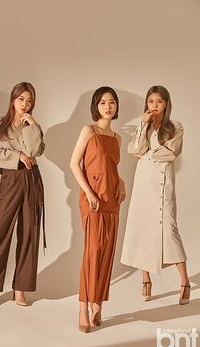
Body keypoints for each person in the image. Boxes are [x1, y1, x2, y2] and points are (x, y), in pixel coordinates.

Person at [0, 82, 46, 306]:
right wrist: (16, 157)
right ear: (13, 100)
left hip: (32, 180)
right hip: (11, 180)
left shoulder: (32, 126)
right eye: (21, 99)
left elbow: (34, 150)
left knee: (29, 235)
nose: (25, 104)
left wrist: (33, 125)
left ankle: (20, 290)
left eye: (30, 100)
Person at [121, 85, 190, 305]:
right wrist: (142, 124)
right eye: (151, 102)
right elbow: (134, 149)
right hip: (143, 184)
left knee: (169, 229)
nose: (154, 106)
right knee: (143, 229)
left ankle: (185, 282)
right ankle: (146, 280)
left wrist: (147, 154)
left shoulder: (175, 127)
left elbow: (170, 153)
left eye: (158, 102)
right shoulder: (144, 126)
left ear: (166, 103)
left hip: (163, 185)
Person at [70, 87, 126, 332]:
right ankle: (83, 306)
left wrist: (121, 181)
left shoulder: (117, 137)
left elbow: (111, 166)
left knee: (106, 251)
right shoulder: (88, 130)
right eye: (103, 102)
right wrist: (89, 193)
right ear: (96, 106)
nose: (108, 106)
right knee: (92, 251)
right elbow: (74, 164)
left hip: (112, 198)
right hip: (92, 198)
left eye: (112, 102)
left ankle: (98, 304)